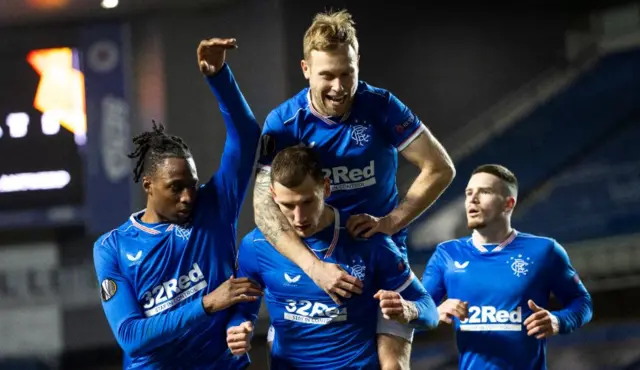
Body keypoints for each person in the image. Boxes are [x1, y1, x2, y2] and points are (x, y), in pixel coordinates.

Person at [252, 9, 455, 368]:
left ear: (358, 62)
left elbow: (439, 167)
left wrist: (392, 221)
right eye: (327, 75)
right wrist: (314, 268)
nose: (339, 87)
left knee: (392, 364)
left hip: (379, 251)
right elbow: (264, 207)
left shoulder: (381, 106)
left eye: (347, 73)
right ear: (305, 70)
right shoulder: (283, 122)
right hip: (315, 251)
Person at [93, 38, 263, 369]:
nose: (188, 196)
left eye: (192, 185)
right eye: (175, 188)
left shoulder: (214, 204)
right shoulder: (111, 248)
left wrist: (219, 76)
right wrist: (208, 303)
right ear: (149, 186)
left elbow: (245, 135)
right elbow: (132, 337)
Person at [228, 145, 439, 369]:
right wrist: (238, 328)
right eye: (288, 205)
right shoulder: (256, 246)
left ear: (326, 188)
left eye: (307, 202)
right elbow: (242, 310)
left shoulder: (368, 240)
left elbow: (430, 312)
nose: (299, 217)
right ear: (273, 196)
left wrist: (407, 310)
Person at [422, 164, 594, 370]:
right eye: (469, 193)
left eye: (484, 192)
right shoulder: (447, 254)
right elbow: (414, 316)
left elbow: (582, 302)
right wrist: (435, 312)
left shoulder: (544, 250)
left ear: (508, 204)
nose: (472, 199)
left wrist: (558, 321)